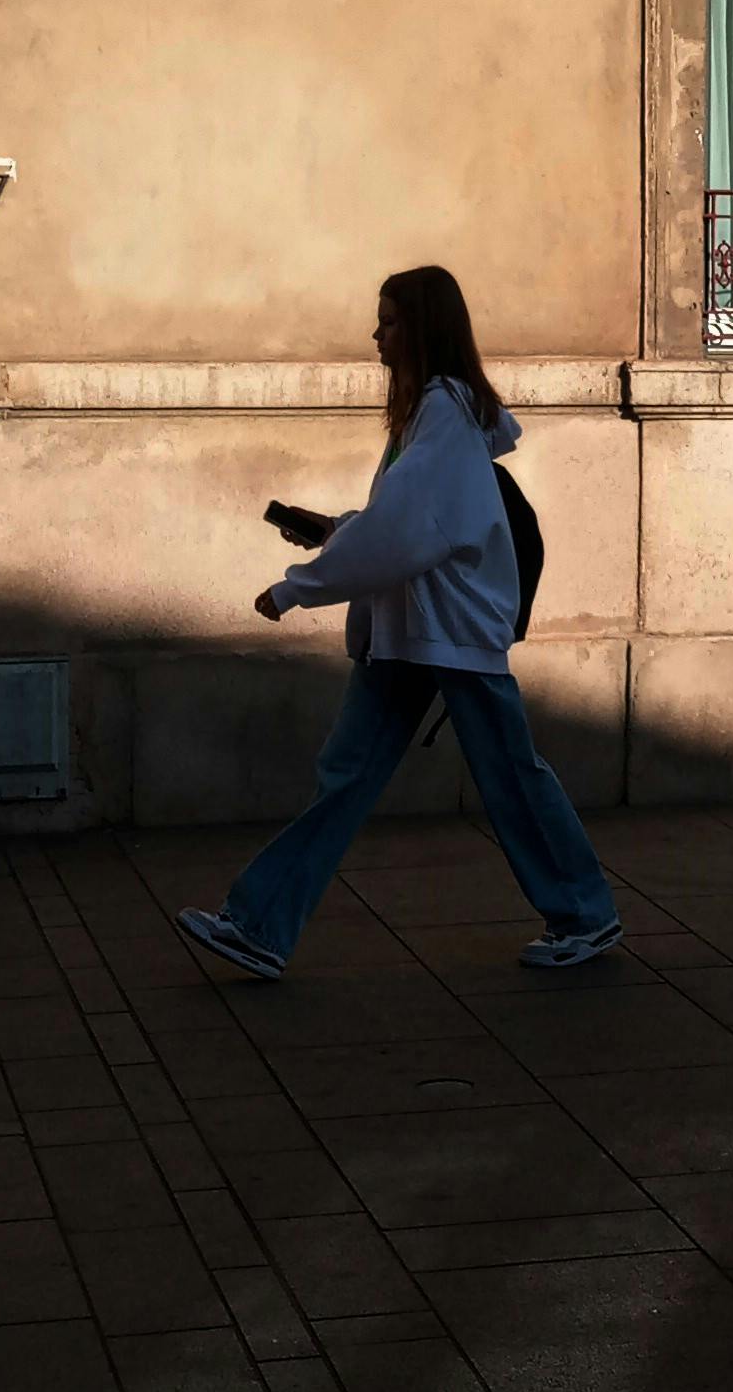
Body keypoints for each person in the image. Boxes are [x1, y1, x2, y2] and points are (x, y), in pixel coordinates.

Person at [176, 266, 621, 980]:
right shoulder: (432, 415)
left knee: (507, 776)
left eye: (387, 321)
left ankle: (584, 913)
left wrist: (297, 589)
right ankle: (259, 925)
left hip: (446, 631)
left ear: (420, 327)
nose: (374, 334)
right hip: (417, 630)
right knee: (351, 776)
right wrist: (337, 531)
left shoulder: (442, 412)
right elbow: (401, 524)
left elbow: (411, 532)